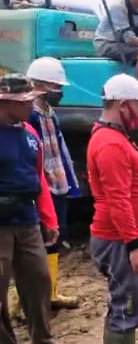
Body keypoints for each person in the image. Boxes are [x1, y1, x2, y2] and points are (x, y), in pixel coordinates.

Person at [86, 73, 138, 344]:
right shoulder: (110, 144)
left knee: (128, 305)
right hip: (120, 240)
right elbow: (118, 199)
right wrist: (133, 246)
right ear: (122, 104)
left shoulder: (113, 138)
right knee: (128, 307)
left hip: (125, 237)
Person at [0, 74, 72, 344]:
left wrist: (48, 217)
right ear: (6, 103)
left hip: (26, 219)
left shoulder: (29, 132)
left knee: (39, 279)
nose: (31, 105)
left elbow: (39, 176)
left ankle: (42, 339)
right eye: (25, 101)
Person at [26, 57, 81, 310]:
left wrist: (71, 180)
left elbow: (60, 150)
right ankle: (29, 296)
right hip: (40, 188)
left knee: (54, 239)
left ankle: (52, 291)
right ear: (37, 84)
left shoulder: (51, 114)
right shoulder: (29, 116)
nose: (58, 92)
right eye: (54, 87)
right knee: (34, 242)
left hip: (57, 184)